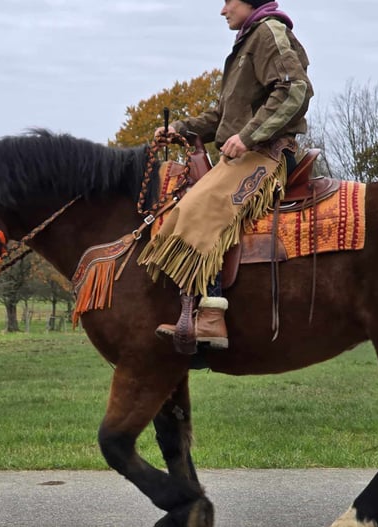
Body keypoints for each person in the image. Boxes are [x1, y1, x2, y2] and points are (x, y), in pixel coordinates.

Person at [139, 0, 313, 351]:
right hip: (248, 150)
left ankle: (212, 315)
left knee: (202, 206)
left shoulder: (268, 32)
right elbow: (223, 116)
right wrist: (180, 128)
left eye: (228, 1)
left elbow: (295, 89)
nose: (222, 10)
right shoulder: (247, 42)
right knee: (183, 207)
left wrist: (249, 137)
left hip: (268, 153)